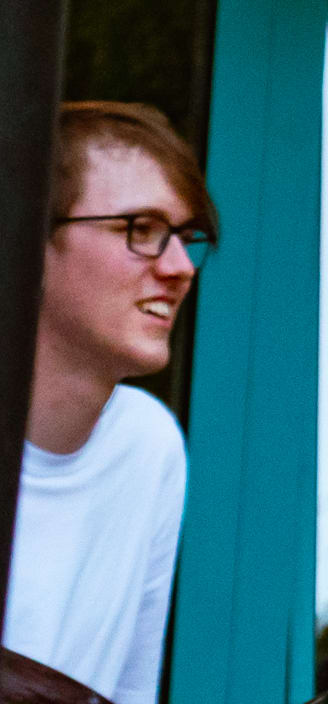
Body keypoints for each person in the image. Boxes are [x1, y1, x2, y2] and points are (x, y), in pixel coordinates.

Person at [10, 104, 210, 704]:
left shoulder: (148, 447)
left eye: (184, 238)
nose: (179, 268)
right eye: (140, 230)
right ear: (33, 242)